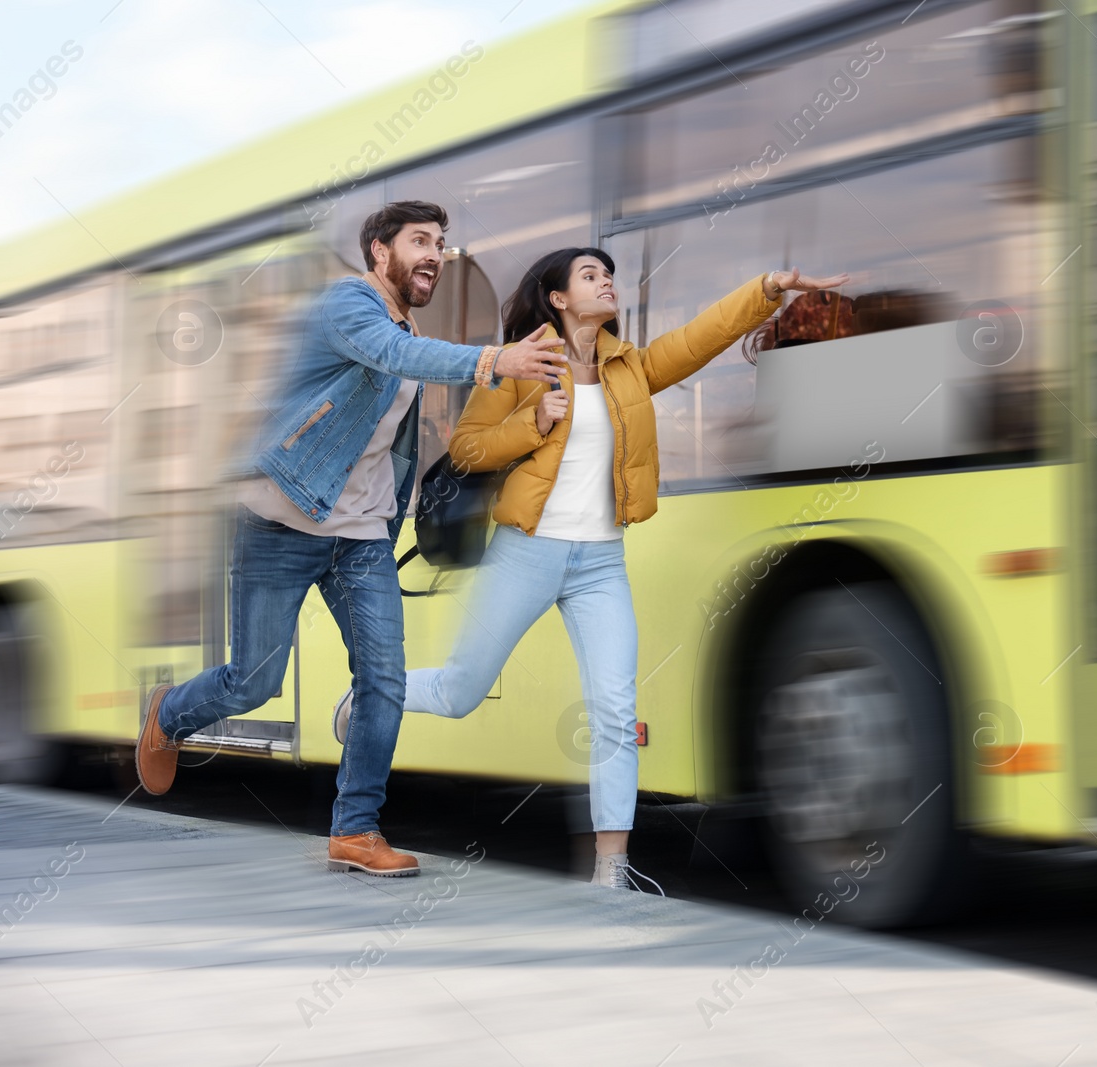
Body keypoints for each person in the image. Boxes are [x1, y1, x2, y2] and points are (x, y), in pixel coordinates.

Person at [332, 247, 847, 889]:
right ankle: (374, 694)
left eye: (609, 275)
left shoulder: (627, 367)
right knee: (463, 691)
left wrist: (767, 288)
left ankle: (612, 870)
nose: (606, 282)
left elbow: (700, 338)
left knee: (613, 709)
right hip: (527, 552)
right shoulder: (522, 363)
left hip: (601, 561)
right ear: (558, 298)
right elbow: (465, 448)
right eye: (590, 275)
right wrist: (531, 421)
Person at [134, 201, 569, 877]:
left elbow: (392, 433)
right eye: (419, 240)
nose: (434, 253)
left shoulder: (405, 325)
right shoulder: (347, 307)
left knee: (384, 681)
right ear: (378, 250)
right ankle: (170, 713)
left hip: (359, 539)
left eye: (440, 242)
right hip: (279, 523)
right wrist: (495, 359)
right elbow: (396, 354)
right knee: (254, 683)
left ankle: (355, 830)